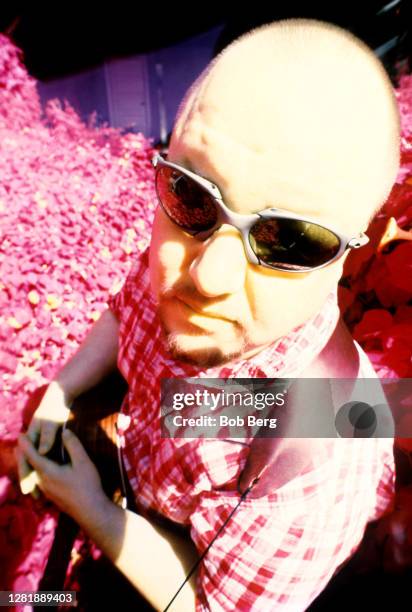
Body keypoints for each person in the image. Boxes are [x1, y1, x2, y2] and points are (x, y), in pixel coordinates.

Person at [16, 18, 401, 611]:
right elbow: (126, 311)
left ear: (352, 251)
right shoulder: (183, 253)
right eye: (192, 192)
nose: (206, 277)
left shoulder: (310, 467)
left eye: (290, 240)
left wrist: (89, 508)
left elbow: (210, 605)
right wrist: (62, 391)